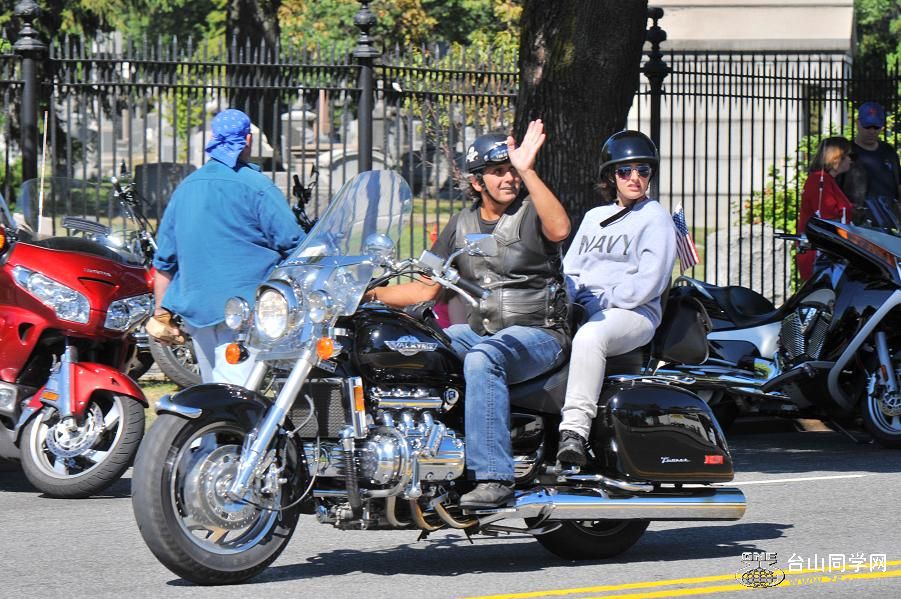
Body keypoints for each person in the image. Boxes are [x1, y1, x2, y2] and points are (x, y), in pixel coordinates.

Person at [371, 120, 571, 507]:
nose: (509, 178)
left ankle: (494, 476)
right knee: (419, 346)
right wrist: (370, 293)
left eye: (512, 170)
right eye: (498, 171)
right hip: (486, 333)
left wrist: (529, 170)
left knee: (483, 358)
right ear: (477, 182)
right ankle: (432, 457)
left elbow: (561, 229)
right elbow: (425, 288)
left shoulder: (532, 212)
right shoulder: (460, 225)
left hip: (541, 334)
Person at [147, 108, 304, 385]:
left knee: (213, 387)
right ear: (248, 140)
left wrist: (161, 314)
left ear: (213, 138)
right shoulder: (257, 186)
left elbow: (164, 262)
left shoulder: (186, 187)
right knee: (236, 392)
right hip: (244, 308)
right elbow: (293, 243)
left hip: (197, 307)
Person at [556, 130, 676, 465]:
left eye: (643, 170)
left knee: (591, 336)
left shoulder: (655, 217)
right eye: (625, 171)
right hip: (587, 308)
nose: (634, 178)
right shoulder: (594, 218)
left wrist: (602, 302)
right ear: (611, 175)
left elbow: (649, 283)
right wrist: (568, 301)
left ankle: (574, 431)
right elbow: (571, 270)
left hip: (634, 313)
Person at [796, 136, 854, 280]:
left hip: (827, 252)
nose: (850, 160)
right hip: (820, 254)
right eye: (848, 155)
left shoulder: (826, 179)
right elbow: (826, 216)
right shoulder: (819, 180)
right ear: (836, 158)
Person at [840, 102, 901, 226]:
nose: (872, 131)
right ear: (857, 123)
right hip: (858, 221)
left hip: (890, 221)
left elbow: (898, 183)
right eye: (867, 126)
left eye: (876, 127)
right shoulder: (847, 152)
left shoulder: (889, 151)